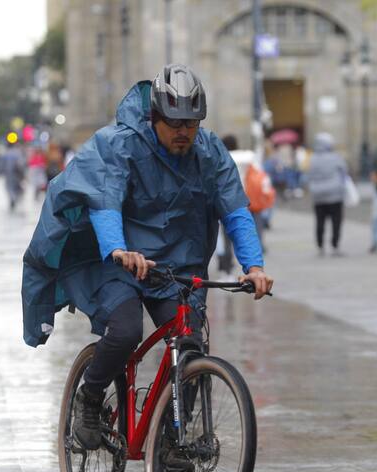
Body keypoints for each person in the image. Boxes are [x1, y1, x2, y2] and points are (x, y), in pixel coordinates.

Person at [22, 64, 273, 449]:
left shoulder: (210, 152)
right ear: (155, 116)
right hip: (120, 263)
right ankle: (90, 397)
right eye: (174, 123)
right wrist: (118, 249)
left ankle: (171, 439)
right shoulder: (120, 145)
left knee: (190, 344)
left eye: (191, 123)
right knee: (125, 331)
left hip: (176, 268)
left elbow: (235, 211)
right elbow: (105, 199)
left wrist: (254, 267)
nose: (183, 131)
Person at [302, 133, 348, 257]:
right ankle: (335, 245)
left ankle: (320, 245)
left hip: (318, 195)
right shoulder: (336, 157)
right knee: (336, 221)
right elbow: (344, 172)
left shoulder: (312, 158)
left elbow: (307, 175)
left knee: (320, 221)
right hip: (335, 195)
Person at [0, 141, 25, 211]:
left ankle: (12, 198)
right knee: (16, 186)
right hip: (17, 173)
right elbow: (21, 164)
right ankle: (15, 197)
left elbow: (1, 164)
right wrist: (22, 173)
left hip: (8, 173)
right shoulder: (18, 153)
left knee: (9, 187)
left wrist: (1, 171)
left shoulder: (5, 153)